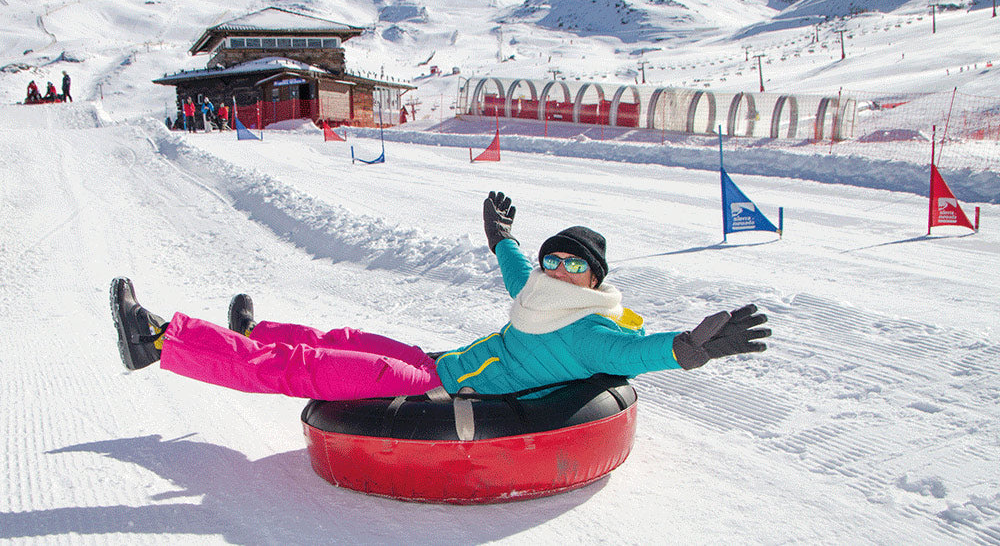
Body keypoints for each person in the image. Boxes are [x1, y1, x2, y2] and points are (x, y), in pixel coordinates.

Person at [110, 192, 771, 401]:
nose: (560, 270)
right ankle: (257, 332)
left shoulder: (592, 328)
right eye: (555, 258)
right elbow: (517, 270)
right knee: (342, 340)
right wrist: (503, 236)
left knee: (306, 370)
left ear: (596, 279)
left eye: (576, 265)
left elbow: (647, 350)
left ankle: (163, 341)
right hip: (439, 362)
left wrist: (689, 347)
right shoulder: (544, 292)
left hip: (441, 391)